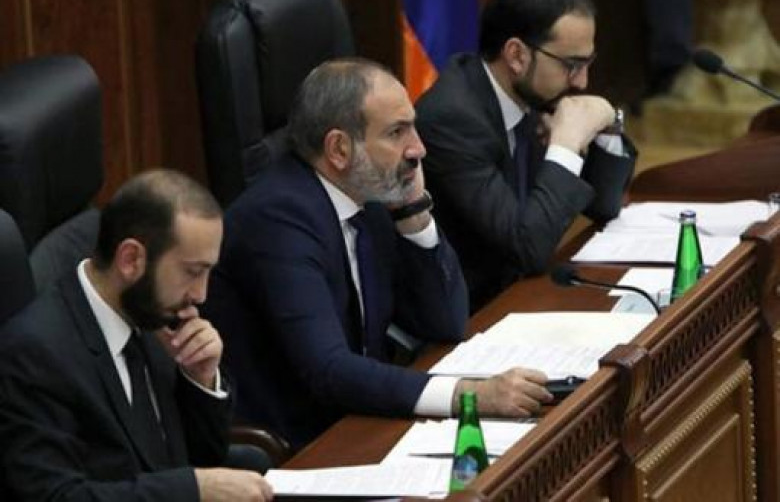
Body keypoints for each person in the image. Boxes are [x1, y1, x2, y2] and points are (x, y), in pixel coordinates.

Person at [203, 58, 553, 450]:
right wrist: (468, 395)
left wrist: (413, 212)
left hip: (362, 419)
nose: (418, 149)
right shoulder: (279, 219)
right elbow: (329, 369)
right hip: (300, 448)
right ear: (339, 149)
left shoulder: (366, 197)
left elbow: (445, 322)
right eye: (397, 132)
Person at [0, 170, 273, 501]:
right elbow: (54, 496)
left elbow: (200, 458)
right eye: (192, 272)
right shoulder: (35, 353)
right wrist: (192, 489)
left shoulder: (149, 314)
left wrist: (199, 379)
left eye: (208, 272)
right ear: (131, 260)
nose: (200, 295)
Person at [416, 0, 637, 312]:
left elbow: (604, 204)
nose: (582, 82)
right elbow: (527, 248)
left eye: (588, 63)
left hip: (519, 295)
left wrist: (608, 127)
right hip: (469, 312)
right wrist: (566, 145)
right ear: (517, 55)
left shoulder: (532, 94)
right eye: (572, 65)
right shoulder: (452, 119)